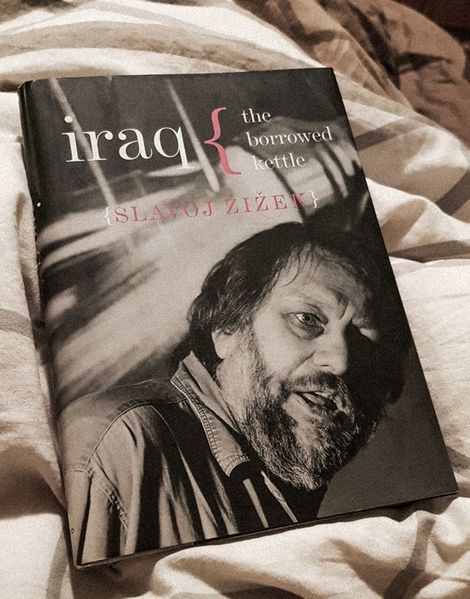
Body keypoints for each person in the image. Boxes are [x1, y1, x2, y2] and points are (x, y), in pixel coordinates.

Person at [59, 221, 409, 566]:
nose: (341, 361)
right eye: (306, 319)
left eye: (366, 342)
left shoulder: (280, 478)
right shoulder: (123, 446)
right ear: (226, 327)